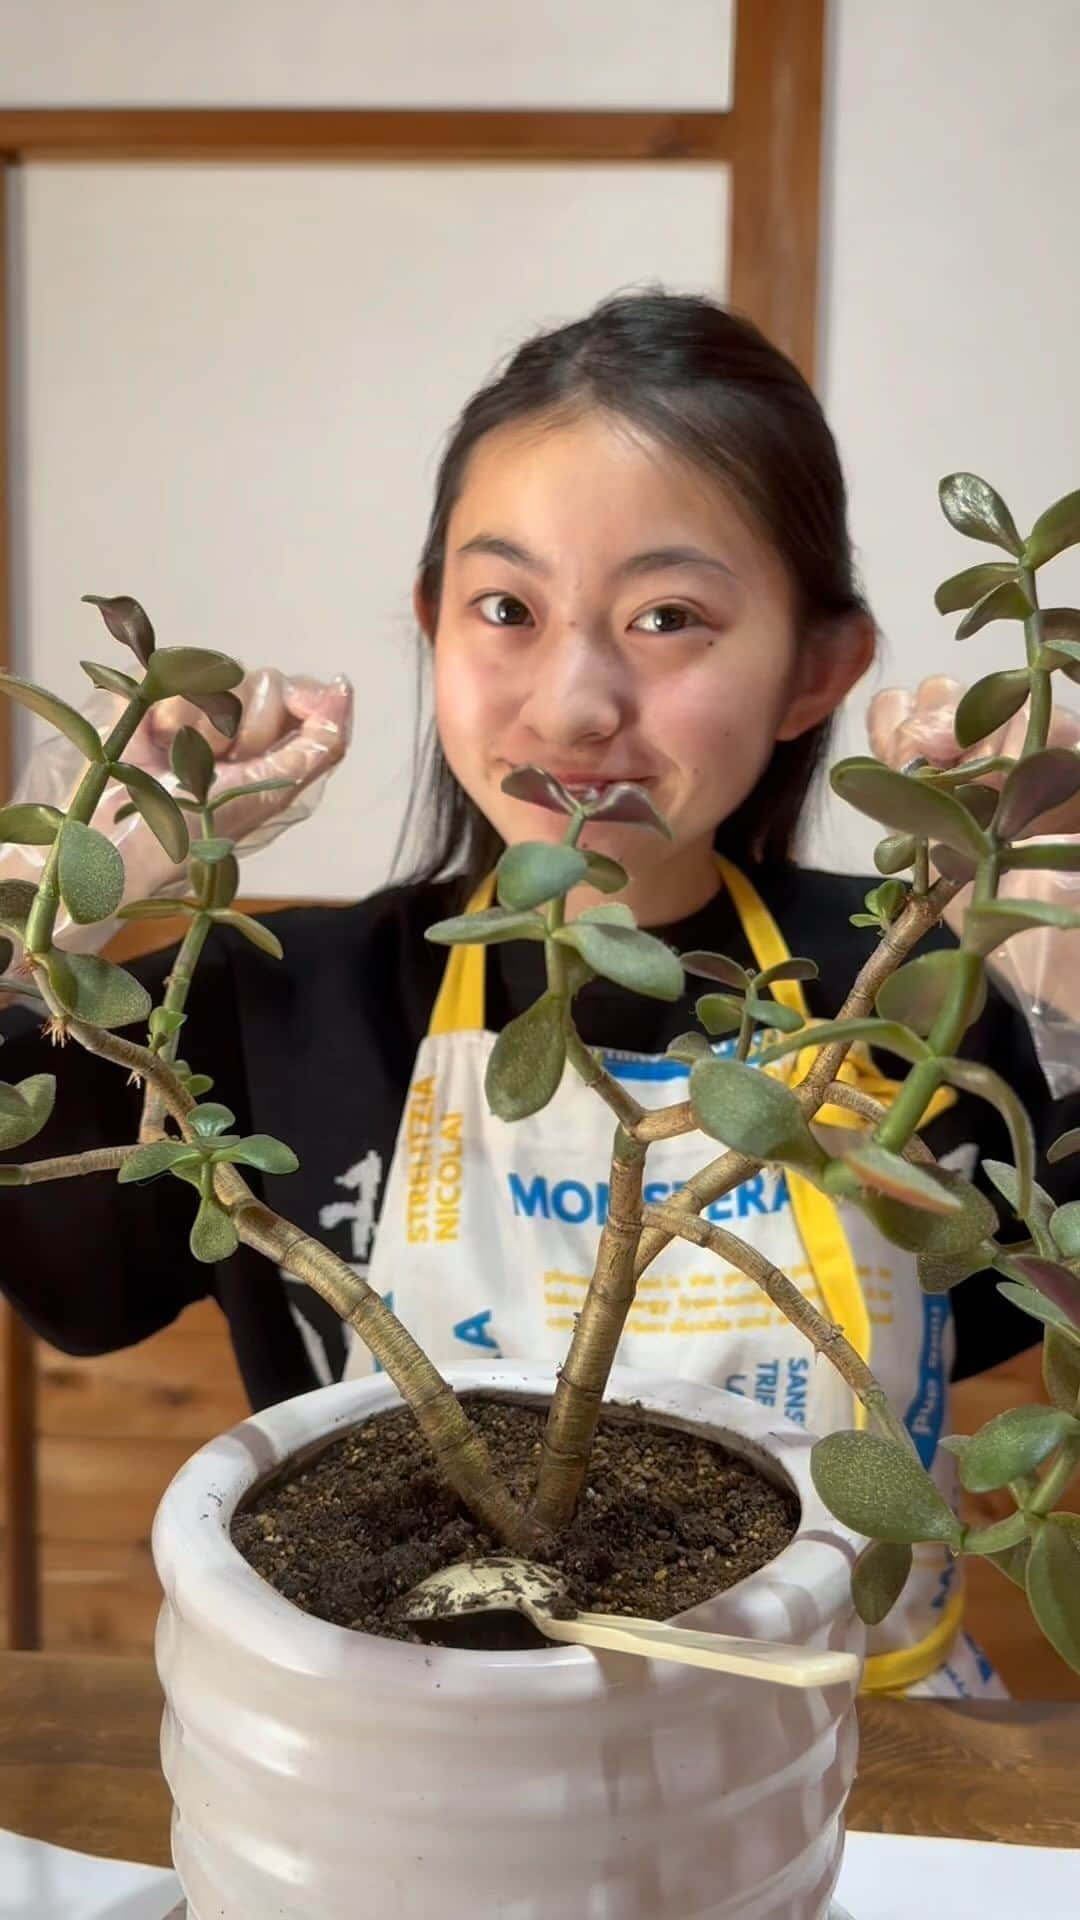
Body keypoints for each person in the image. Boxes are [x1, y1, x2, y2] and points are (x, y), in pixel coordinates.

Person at [2, 291, 1079, 1700]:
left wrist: (1062, 970)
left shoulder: (921, 994)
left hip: (861, 1781)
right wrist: (39, 910)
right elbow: (76, 1294)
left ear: (819, 669)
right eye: (505, 606)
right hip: (412, 1778)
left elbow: (1036, 1289)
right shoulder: (284, 1002)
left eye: (668, 617)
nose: (572, 703)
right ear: (430, 621)